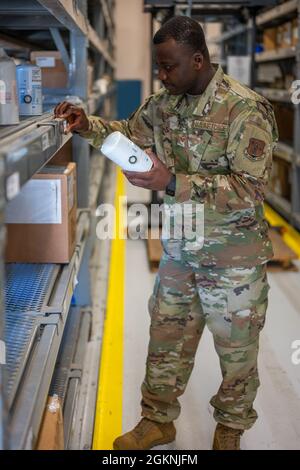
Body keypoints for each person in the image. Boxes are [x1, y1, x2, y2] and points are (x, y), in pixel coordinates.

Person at [54, 16, 278, 450]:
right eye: (159, 66)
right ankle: (157, 420)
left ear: (198, 60)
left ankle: (229, 430)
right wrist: (87, 126)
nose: (161, 74)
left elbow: (250, 188)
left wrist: (171, 182)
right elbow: (127, 135)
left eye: (169, 66)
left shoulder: (244, 108)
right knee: (166, 336)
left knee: (236, 351)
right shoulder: (164, 104)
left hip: (234, 258)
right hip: (180, 247)